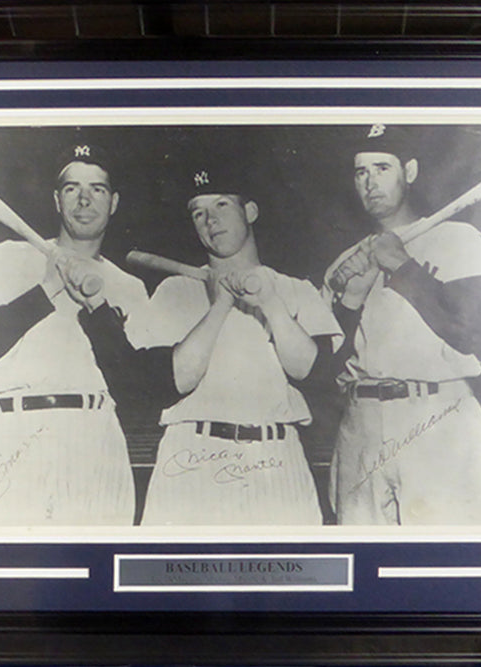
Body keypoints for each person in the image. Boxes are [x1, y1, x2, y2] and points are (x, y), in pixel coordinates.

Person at [69, 161, 342, 525]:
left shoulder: (295, 289)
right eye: (198, 213)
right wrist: (220, 306)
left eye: (221, 205)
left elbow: (314, 375)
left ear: (250, 211)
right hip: (191, 455)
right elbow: (172, 383)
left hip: (277, 457)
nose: (209, 220)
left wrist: (271, 304)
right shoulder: (174, 291)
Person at [323, 124, 481, 526]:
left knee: (447, 558)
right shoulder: (346, 261)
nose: (370, 182)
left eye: (382, 168)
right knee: (364, 559)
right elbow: (327, 369)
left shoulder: (458, 238)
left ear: (411, 171)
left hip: (439, 414)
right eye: (361, 172)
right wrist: (349, 300)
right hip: (361, 420)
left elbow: (476, 335)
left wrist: (402, 267)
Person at [0, 142, 147, 527]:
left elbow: (132, 384)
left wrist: (97, 310)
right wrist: (47, 287)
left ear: (114, 202)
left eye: (97, 189)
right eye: (72, 188)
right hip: (11, 432)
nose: (85, 200)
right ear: (57, 199)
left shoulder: (129, 286)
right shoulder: (8, 257)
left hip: (96, 437)